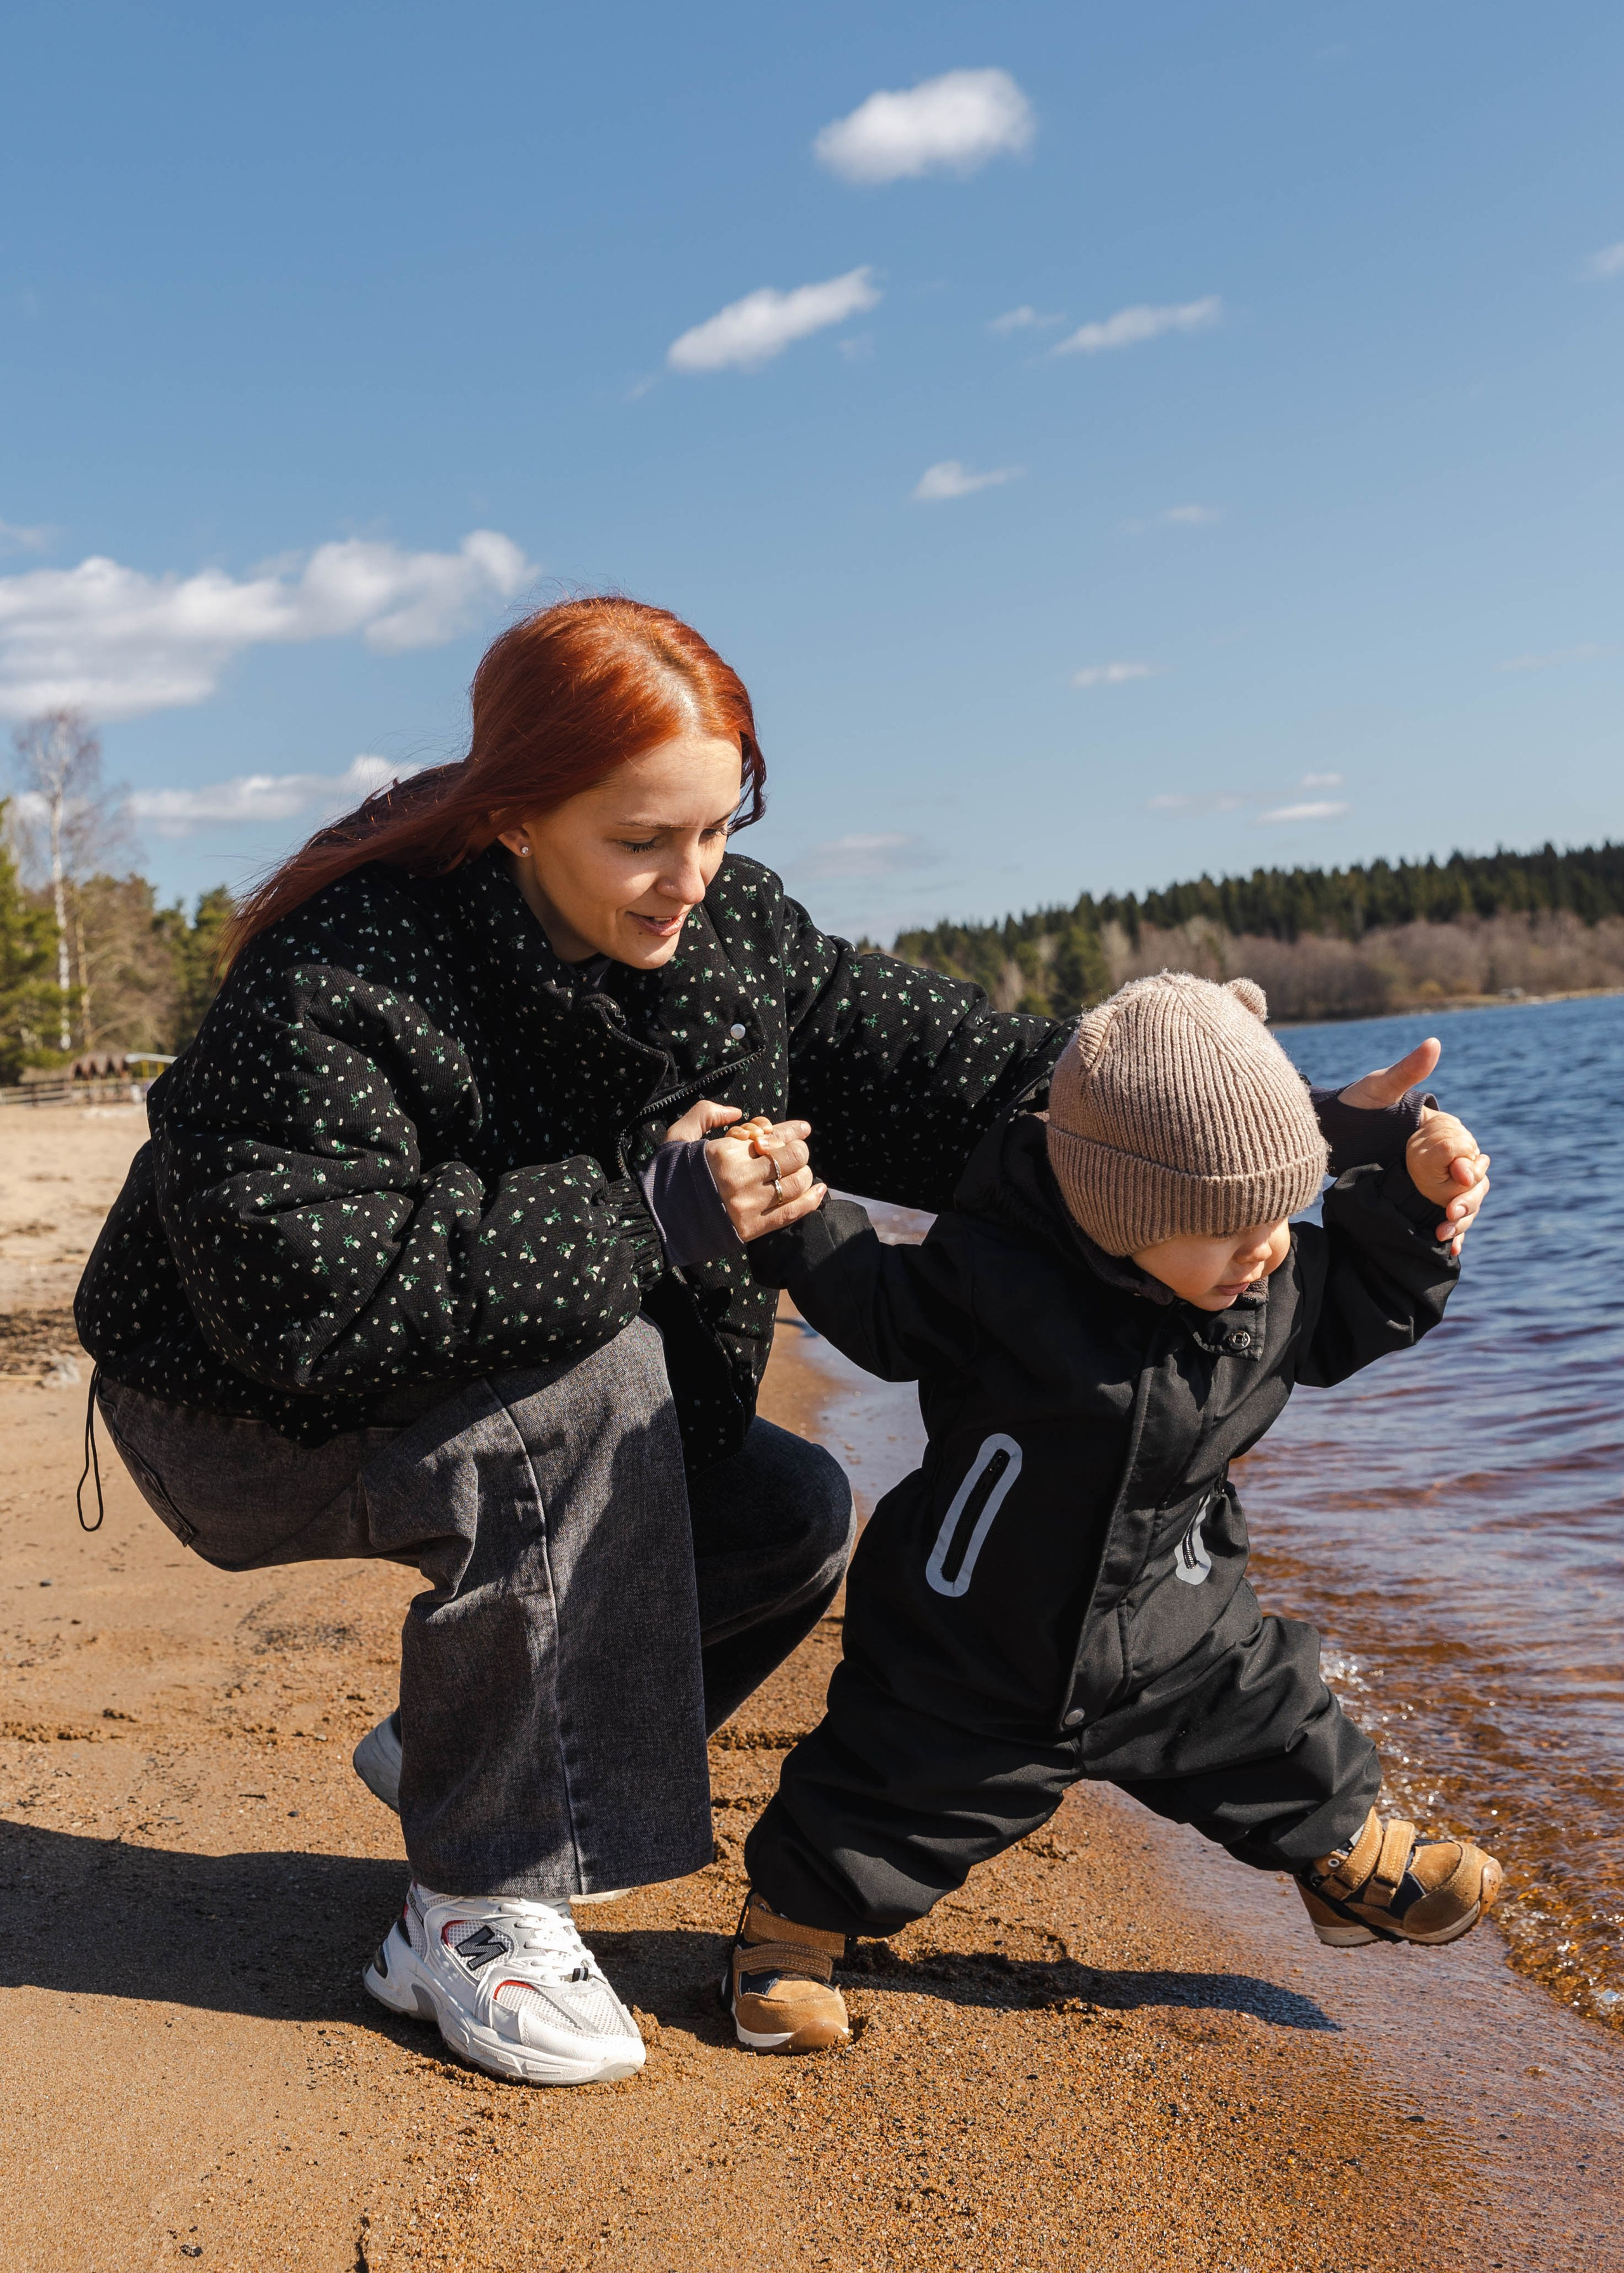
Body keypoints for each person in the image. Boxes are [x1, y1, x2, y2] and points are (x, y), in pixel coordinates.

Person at [73, 596, 1487, 2088]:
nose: (689, 877)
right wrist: (650, 1206)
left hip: (460, 1362)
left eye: (717, 826)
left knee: (783, 1513)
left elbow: (996, 1089)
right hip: (237, 1414)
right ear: (513, 815)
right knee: (601, 1385)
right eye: (641, 839)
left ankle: (471, 1759)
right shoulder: (347, 969)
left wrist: (1274, 1138)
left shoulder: (731, 937)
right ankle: (474, 1901)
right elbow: (303, 1291)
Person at [723, 972, 1498, 2055]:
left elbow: (1373, 1294)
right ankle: (792, 1928)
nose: (1267, 1249)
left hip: (1180, 1627)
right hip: (978, 1644)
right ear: (1126, 1210)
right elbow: (877, 1302)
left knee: (1279, 1721)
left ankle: (1344, 1860)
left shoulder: (1266, 1289)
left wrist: (1411, 1199)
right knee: (888, 1788)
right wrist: (793, 1215)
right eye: (1230, 1227)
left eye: (1282, 1216)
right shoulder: (996, 1276)